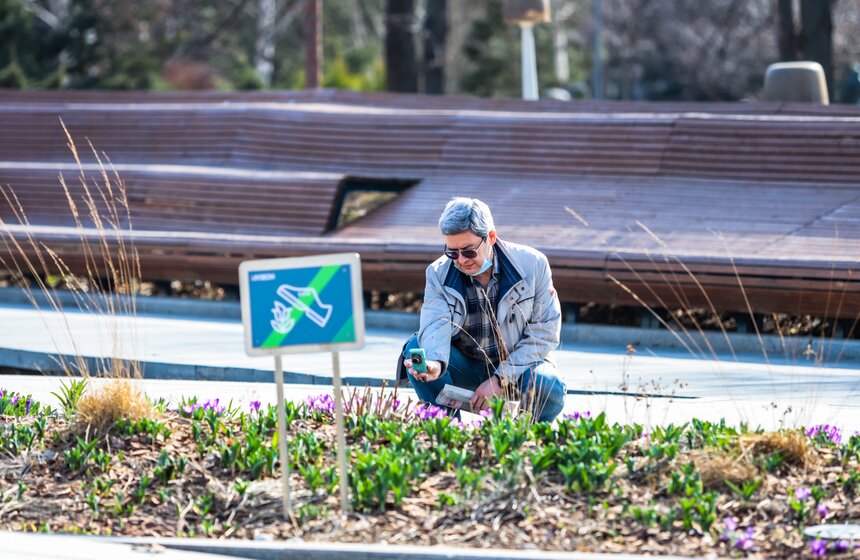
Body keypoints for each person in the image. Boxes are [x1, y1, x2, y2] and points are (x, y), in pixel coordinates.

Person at [396, 197, 566, 422]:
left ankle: (523, 437)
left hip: (518, 369)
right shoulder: (437, 273)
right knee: (417, 348)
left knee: (548, 386)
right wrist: (435, 364)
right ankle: (444, 433)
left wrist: (499, 380)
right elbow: (435, 323)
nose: (460, 260)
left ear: (491, 238)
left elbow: (544, 335)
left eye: (468, 251)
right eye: (452, 252)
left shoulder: (534, 264)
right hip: (465, 364)